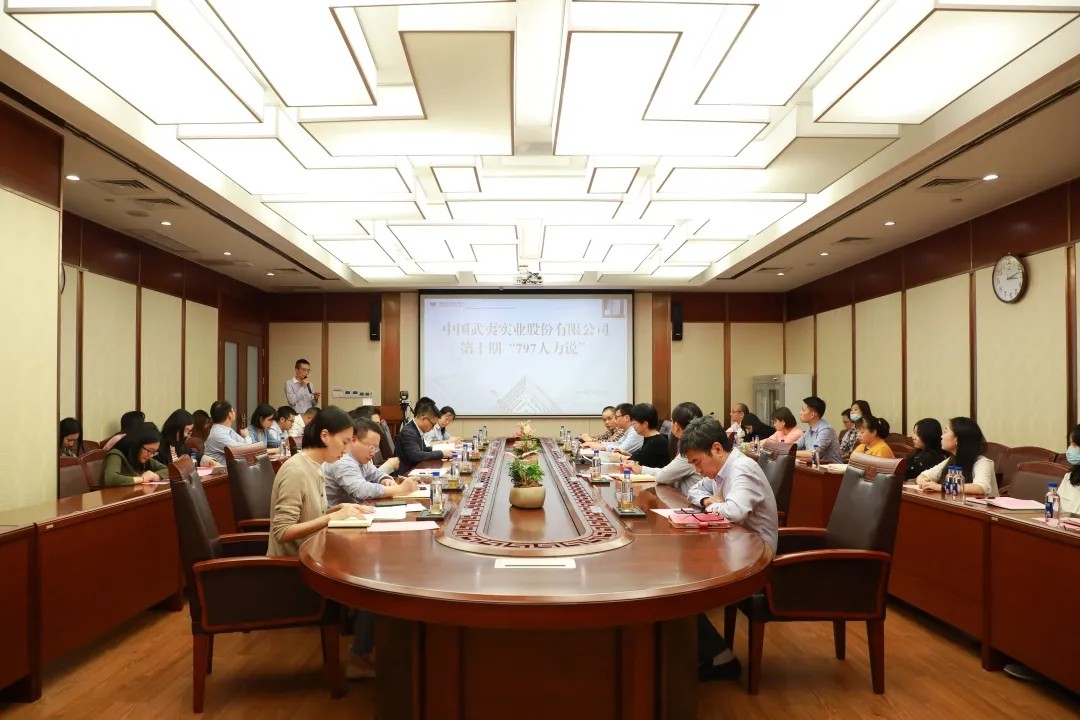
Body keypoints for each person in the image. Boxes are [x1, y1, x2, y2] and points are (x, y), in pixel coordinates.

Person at [266, 407, 374, 679]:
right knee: (371, 583)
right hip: (294, 568)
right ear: (325, 436)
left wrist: (339, 510)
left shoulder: (315, 466)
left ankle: (363, 643)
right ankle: (359, 657)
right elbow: (282, 531)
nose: (347, 450)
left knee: (371, 565)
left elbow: (313, 514)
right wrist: (329, 518)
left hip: (314, 555)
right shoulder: (296, 470)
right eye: (345, 441)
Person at [682, 416, 778, 682]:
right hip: (733, 545)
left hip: (755, 556)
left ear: (716, 448)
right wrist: (709, 500)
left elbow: (734, 512)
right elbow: (694, 491)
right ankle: (707, 652)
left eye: (697, 462)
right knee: (683, 572)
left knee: (684, 583)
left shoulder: (741, 469)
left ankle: (720, 658)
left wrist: (715, 505)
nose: (698, 470)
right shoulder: (721, 469)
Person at [325, 418, 419, 505]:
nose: (373, 453)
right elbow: (361, 490)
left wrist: (385, 480)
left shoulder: (361, 459)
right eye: (371, 447)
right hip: (337, 515)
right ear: (353, 440)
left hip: (357, 509)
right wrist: (400, 489)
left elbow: (376, 473)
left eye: (376, 448)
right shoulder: (342, 460)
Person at [624, 401, 704, 495]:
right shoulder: (694, 444)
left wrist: (641, 469)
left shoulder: (690, 450)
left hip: (689, 499)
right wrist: (641, 469)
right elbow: (668, 471)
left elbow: (663, 476)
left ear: (676, 426)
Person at [915, 417, 998, 497]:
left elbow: (980, 488)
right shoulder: (951, 459)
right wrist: (924, 482)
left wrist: (942, 487)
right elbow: (924, 475)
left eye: (945, 432)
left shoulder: (982, 462)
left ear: (957, 439)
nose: (941, 436)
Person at [102, 422, 170, 487]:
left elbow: (168, 469)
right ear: (137, 445)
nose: (151, 455)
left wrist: (155, 476)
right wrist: (142, 479)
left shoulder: (144, 457)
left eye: (154, 452)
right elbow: (110, 479)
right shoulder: (115, 455)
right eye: (150, 450)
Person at [396, 403, 453, 475]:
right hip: (405, 474)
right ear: (424, 419)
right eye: (432, 425)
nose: (432, 428)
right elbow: (415, 455)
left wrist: (442, 451)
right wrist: (441, 453)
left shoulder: (417, 429)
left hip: (415, 469)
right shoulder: (408, 432)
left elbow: (423, 449)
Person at [615, 403, 668, 468]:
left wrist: (620, 457)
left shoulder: (657, 442)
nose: (632, 425)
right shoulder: (651, 438)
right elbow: (644, 458)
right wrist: (629, 455)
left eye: (634, 423)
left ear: (645, 424)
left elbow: (638, 462)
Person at [794, 396, 842, 464]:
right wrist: (784, 449)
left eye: (803, 410)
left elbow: (813, 453)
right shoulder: (809, 429)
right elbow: (796, 445)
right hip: (816, 466)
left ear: (812, 415)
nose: (800, 413)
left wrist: (791, 452)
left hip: (831, 468)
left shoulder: (825, 430)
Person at [203, 400, 252, 465]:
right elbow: (245, 451)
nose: (235, 412)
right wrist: (247, 436)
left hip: (230, 468)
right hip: (221, 470)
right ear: (230, 414)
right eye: (233, 410)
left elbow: (246, 446)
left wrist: (246, 440)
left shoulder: (226, 429)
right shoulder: (218, 434)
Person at [1060, 425, 1080, 515]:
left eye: (1074, 445)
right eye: (1070, 444)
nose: (1070, 449)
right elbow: (1057, 506)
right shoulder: (1070, 476)